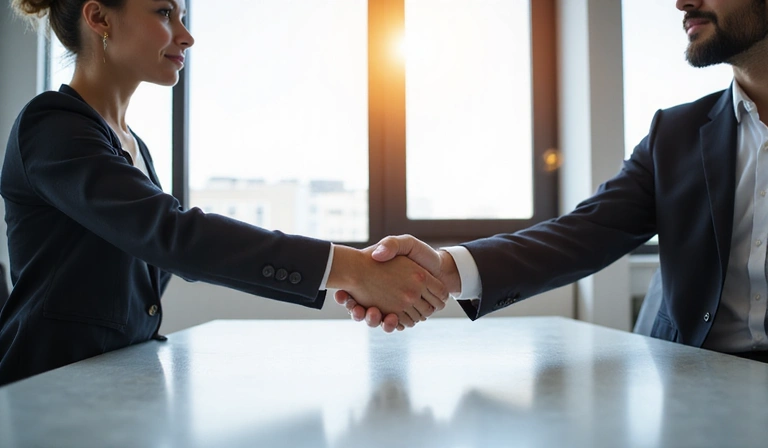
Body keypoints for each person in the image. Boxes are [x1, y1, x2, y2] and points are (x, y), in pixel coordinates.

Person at [0, 0, 449, 386]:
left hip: (118, 385)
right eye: (164, 12)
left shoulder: (132, 145)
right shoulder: (52, 126)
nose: (186, 35)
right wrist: (351, 269)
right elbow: (173, 236)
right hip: (45, 388)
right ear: (99, 17)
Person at [340, 0, 768, 362]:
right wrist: (444, 270)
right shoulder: (675, 134)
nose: (681, 1)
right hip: (694, 383)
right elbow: (581, 235)